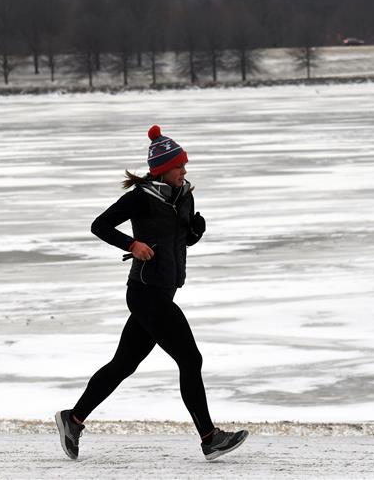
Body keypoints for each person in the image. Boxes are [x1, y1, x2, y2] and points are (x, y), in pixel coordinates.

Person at [55, 125, 249, 461]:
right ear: (162, 169)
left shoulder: (184, 196)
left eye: (184, 166)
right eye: (179, 167)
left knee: (122, 365)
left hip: (164, 290)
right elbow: (99, 225)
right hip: (145, 292)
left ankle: (72, 420)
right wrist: (132, 244)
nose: (184, 171)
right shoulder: (141, 198)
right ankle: (209, 437)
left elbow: (181, 240)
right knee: (191, 359)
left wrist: (194, 233)